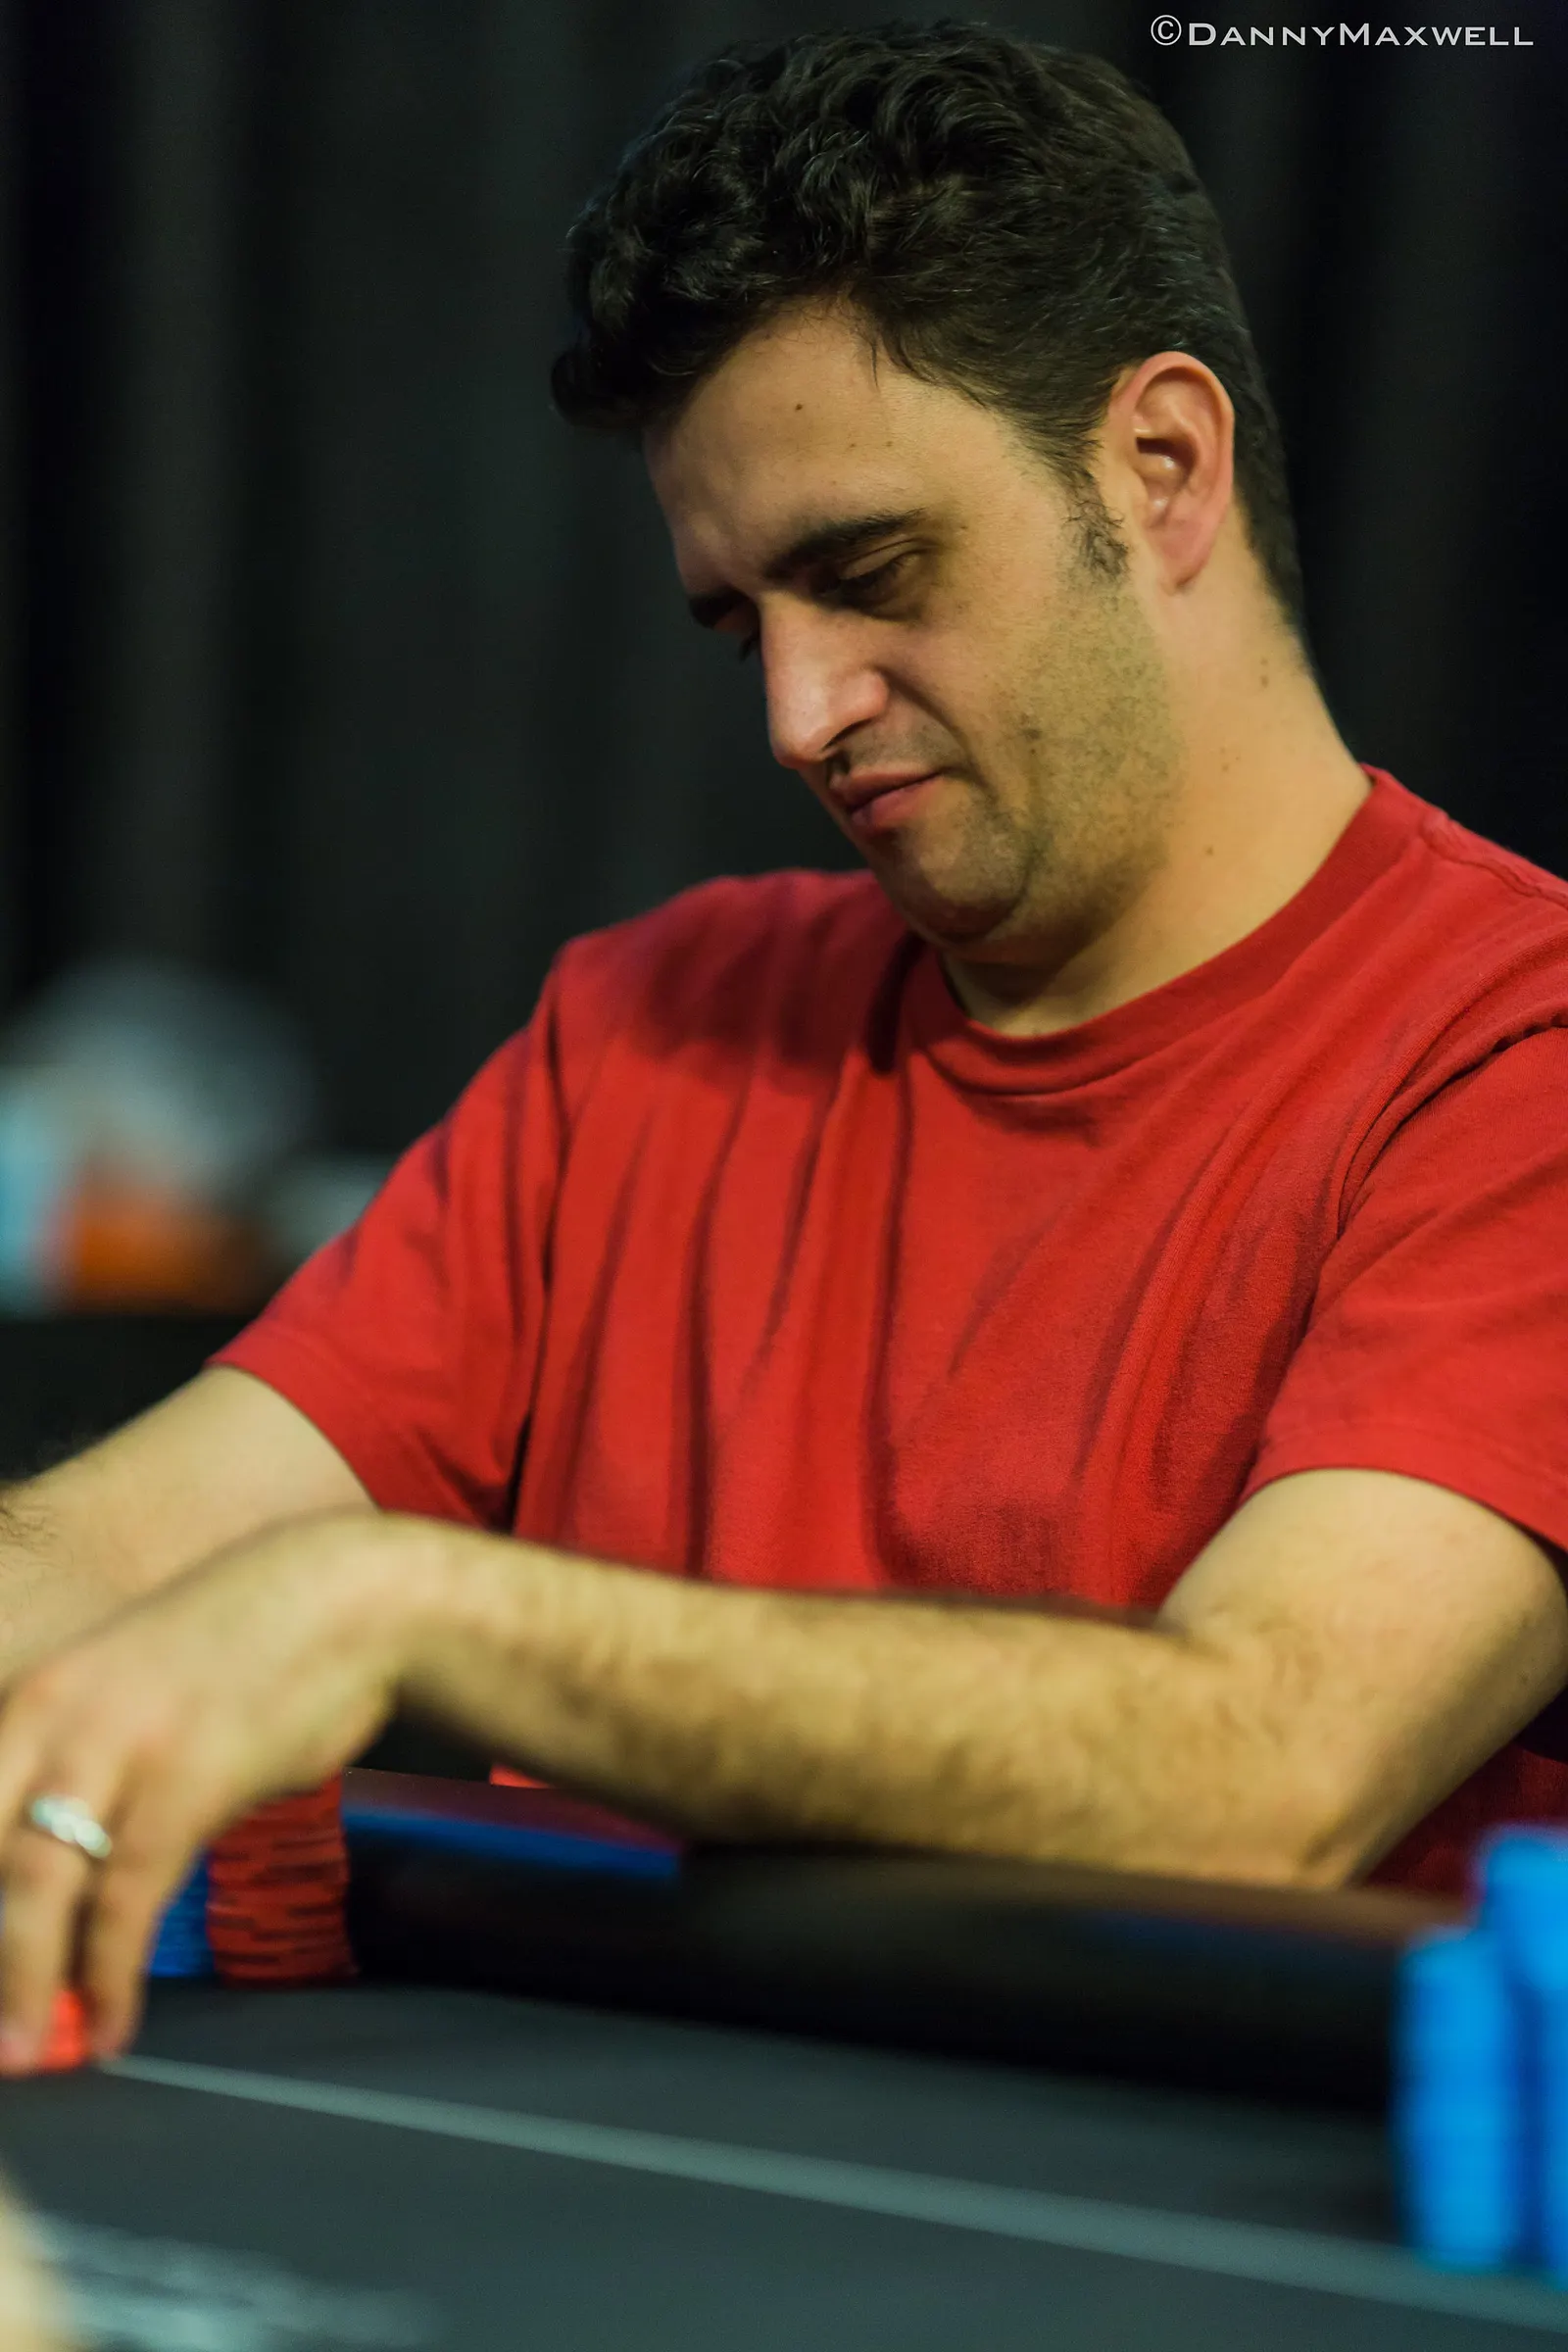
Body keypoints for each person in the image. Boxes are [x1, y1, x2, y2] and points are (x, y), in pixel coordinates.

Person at [1, 23, 1566, 2079]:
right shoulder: (650, 1022)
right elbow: (110, 1556)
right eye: (744, 622)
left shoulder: (1514, 1054)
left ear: (1161, 467)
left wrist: (403, 1608)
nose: (798, 716)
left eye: (869, 573)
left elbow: (1264, 1769)